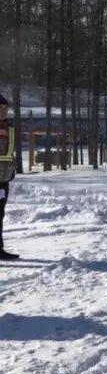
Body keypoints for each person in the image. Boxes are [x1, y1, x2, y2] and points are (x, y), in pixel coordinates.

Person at [0, 94, 19, 260]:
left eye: (5, 108)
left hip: (4, 178)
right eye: (0, 108)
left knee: (0, 213)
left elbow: (9, 152)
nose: (3, 111)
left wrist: (11, 170)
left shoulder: (9, 128)